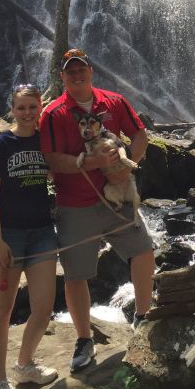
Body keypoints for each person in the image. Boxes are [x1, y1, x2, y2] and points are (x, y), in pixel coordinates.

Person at [39, 48, 155, 372]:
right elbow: (51, 159)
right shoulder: (53, 114)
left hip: (117, 198)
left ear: (91, 72)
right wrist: (92, 163)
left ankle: (143, 317)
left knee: (144, 251)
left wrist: (127, 166)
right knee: (76, 275)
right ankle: (84, 340)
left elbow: (140, 135)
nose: (77, 76)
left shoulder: (114, 101)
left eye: (81, 70)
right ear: (62, 77)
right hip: (75, 205)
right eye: (70, 71)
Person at [0, 84, 59, 389]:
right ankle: (0, 383)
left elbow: (59, 173)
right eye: (21, 107)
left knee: (44, 307)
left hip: (41, 233)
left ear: (41, 107)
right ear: (12, 110)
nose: (27, 112)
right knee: (2, 309)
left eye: (32, 106)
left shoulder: (46, 142)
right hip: (8, 237)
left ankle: (25, 365)